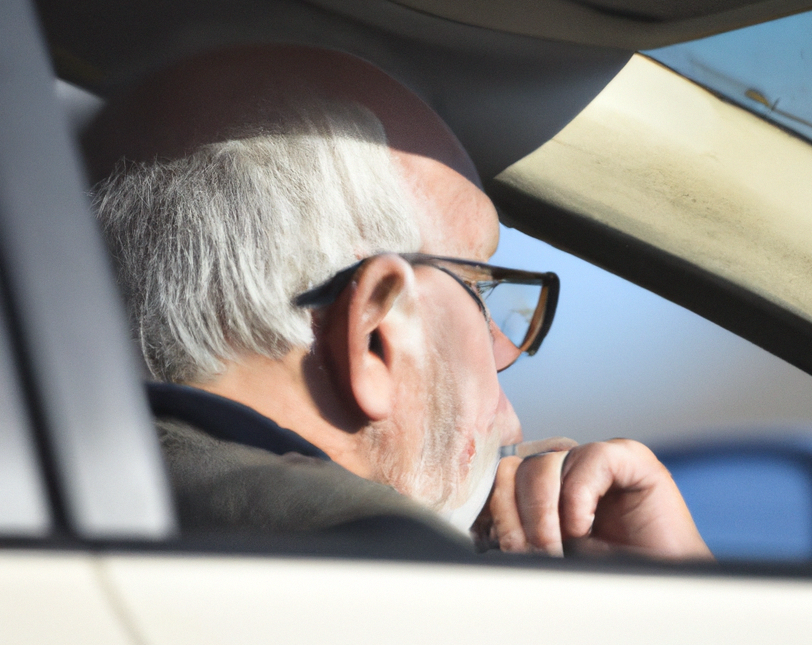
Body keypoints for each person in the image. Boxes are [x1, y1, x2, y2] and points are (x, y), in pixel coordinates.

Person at [86, 43, 710, 561]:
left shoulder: (67, 491)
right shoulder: (401, 582)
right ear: (376, 335)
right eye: (479, 294)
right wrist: (674, 600)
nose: (513, 418)